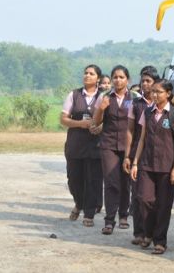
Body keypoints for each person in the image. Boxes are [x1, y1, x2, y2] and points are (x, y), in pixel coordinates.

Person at [131, 79, 174, 255]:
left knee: (164, 205)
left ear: (168, 94)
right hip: (147, 164)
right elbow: (142, 139)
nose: (154, 95)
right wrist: (135, 162)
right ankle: (149, 232)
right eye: (153, 91)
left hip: (167, 166)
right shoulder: (147, 112)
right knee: (144, 199)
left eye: (158, 92)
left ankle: (159, 241)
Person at [93, 65, 138, 235]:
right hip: (109, 145)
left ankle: (124, 215)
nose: (118, 80)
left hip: (128, 146)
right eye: (115, 77)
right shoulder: (104, 97)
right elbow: (95, 123)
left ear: (128, 80)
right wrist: (101, 109)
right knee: (111, 182)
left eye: (121, 77)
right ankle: (109, 220)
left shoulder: (135, 97)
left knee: (126, 182)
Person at [61, 64, 103, 227]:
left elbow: (109, 119)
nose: (87, 76)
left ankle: (89, 213)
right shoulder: (74, 95)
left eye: (91, 74)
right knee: (74, 180)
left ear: (98, 78)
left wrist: (100, 127)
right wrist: (80, 124)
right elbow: (63, 119)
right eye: (85, 73)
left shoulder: (103, 97)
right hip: (75, 144)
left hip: (95, 145)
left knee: (92, 180)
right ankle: (79, 203)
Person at [123, 66, 159, 245]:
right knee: (137, 194)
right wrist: (128, 156)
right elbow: (130, 131)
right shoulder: (135, 104)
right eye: (143, 81)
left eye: (148, 81)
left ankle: (153, 231)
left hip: (159, 155)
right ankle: (139, 232)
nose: (144, 84)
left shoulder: (165, 105)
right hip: (138, 152)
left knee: (153, 197)